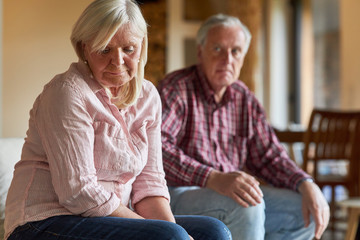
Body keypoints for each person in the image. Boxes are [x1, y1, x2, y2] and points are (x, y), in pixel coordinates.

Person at [3, 1, 232, 240]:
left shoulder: (148, 97)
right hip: (42, 223)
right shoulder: (66, 92)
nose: (118, 61)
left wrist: (169, 229)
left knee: (213, 231)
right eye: (104, 50)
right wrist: (164, 233)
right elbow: (79, 192)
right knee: (169, 236)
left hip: (105, 218)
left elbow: (150, 183)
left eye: (129, 49)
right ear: (83, 49)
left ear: (141, 47)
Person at [158, 13, 330, 240]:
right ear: (200, 52)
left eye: (235, 51)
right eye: (218, 49)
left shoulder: (244, 98)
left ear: (243, 57)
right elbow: (158, 149)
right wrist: (213, 178)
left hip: (227, 193)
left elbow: (269, 155)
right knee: (247, 205)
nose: (227, 59)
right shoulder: (176, 89)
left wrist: (305, 182)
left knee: (304, 208)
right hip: (176, 194)